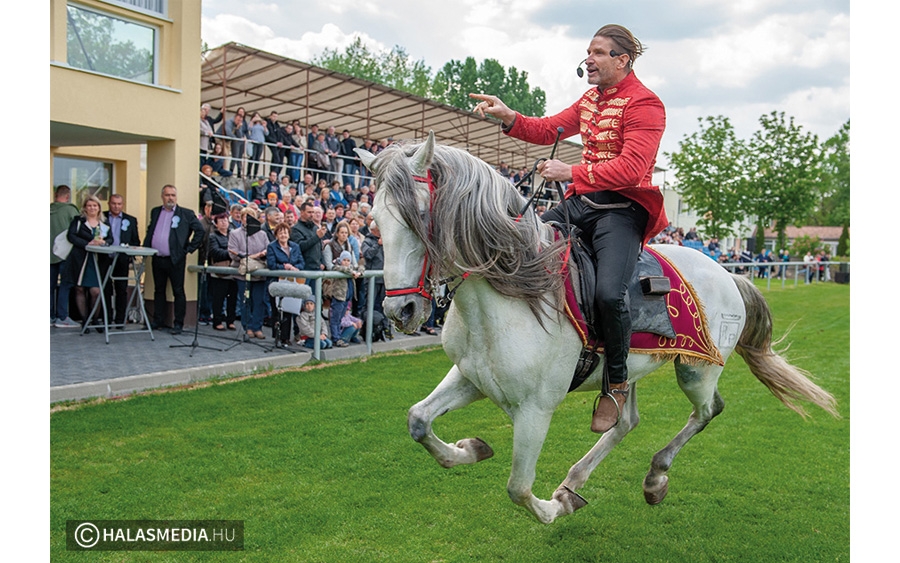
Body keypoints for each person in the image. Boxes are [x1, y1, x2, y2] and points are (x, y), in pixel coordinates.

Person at [471, 24, 666, 434]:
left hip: (622, 210)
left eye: (597, 53)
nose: (588, 60)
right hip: (580, 204)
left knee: (609, 293)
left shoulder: (646, 104)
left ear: (622, 60)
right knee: (518, 247)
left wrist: (570, 169)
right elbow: (548, 128)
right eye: (588, 52)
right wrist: (508, 116)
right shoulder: (590, 99)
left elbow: (633, 168)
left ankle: (615, 384)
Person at [144, 184, 205, 335]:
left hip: (175, 259)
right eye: (167, 195)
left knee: (178, 291)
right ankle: (158, 320)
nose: (170, 198)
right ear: (162, 196)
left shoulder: (185, 213)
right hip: (157, 257)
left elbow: (200, 231)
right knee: (159, 290)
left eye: (173, 195)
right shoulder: (156, 211)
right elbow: (151, 230)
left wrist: (188, 249)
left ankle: (178, 323)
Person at [64, 195, 114, 330]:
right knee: (80, 289)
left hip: (98, 261)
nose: (92, 208)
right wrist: (87, 243)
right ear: (85, 207)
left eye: (95, 206)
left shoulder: (105, 222)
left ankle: (95, 319)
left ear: (99, 208)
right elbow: (71, 236)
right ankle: (85, 321)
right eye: (89, 205)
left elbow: (111, 239)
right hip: (81, 259)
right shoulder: (78, 221)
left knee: (95, 291)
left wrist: (104, 242)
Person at [228, 207, 269, 339]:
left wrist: (258, 256)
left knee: (259, 301)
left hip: (260, 273)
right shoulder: (235, 233)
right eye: (245, 216)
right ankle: (248, 327)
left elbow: (267, 250)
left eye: (251, 216)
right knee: (246, 301)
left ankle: (257, 327)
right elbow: (233, 253)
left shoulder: (262, 234)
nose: (247, 219)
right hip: (243, 274)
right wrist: (254, 255)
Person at [104, 194, 141, 328]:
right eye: (114, 203)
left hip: (122, 260)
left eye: (119, 204)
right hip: (105, 259)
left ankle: (120, 320)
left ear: (122, 204)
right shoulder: (101, 217)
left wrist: (130, 254)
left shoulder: (130, 220)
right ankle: (106, 318)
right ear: (109, 203)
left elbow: (136, 240)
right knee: (106, 289)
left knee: (121, 290)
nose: (116, 206)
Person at [266, 222, 305, 345]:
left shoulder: (295, 246)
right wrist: (284, 267)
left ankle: (286, 337)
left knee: (288, 309)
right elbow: (271, 264)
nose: (283, 235)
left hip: (291, 282)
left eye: (285, 232)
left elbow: (301, 262)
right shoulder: (272, 247)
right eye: (280, 232)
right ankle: (277, 336)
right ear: (276, 235)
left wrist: (294, 267)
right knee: (277, 310)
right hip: (277, 282)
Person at [51, 185, 81, 328]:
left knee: (49, 287)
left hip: (49, 256)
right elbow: (78, 230)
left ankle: (49, 316)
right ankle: (62, 317)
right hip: (65, 255)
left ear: (55, 195)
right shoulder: (70, 210)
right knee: (66, 284)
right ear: (68, 196)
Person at [326, 250, 363, 348]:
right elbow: (340, 268)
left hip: (347, 298)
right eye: (344, 260)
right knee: (335, 319)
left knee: (341, 318)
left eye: (348, 260)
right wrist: (352, 272)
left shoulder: (351, 268)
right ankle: (336, 338)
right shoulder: (337, 267)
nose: (346, 262)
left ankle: (342, 336)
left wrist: (359, 272)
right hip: (339, 297)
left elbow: (361, 267)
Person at [207, 212, 238, 331]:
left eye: (226, 220)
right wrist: (232, 253)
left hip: (234, 271)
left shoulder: (233, 235)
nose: (224, 222)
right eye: (221, 220)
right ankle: (217, 320)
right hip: (219, 272)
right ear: (216, 224)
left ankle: (231, 320)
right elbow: (215, 252)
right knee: (218, 298)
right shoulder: (213, 236)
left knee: (233, 298)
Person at [290, 200, 328, 293]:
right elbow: (300, 246)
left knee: (315, 299)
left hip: (317, 268)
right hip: (304, 268)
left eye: (313, 212)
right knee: (303, 298)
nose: (311, 215)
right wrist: (316, 237)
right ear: (302, 212)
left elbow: (319, 247)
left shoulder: (315, 227)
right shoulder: (295, 229)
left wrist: (322, 261)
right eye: (309, 212)